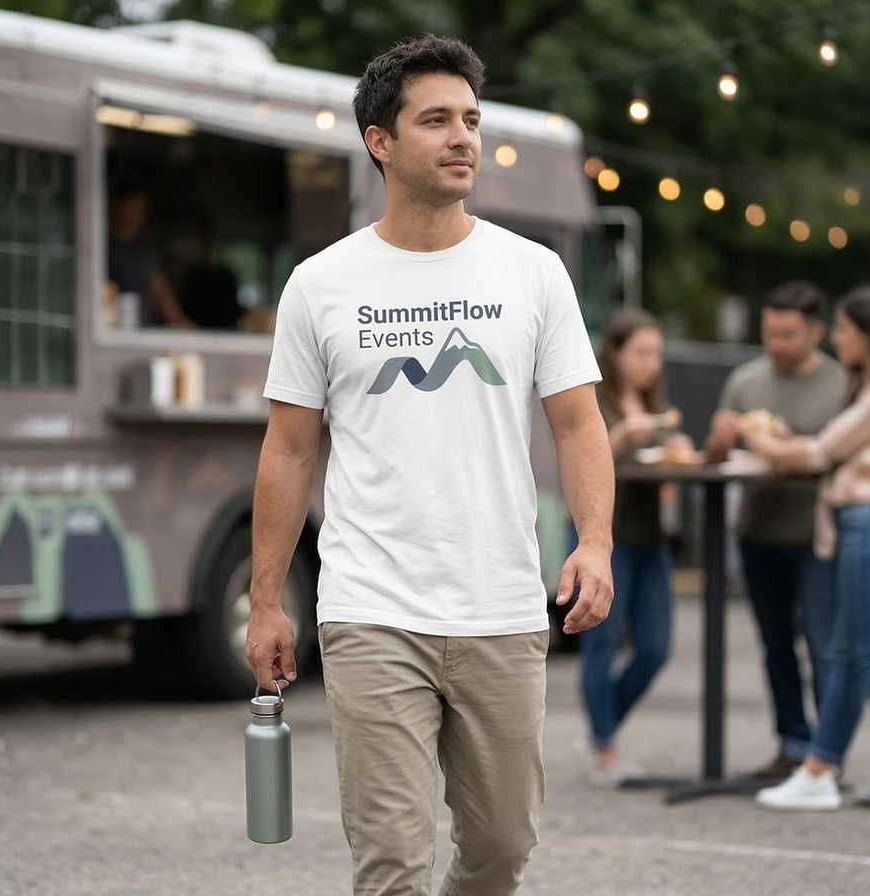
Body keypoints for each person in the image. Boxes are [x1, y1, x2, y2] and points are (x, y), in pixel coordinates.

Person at [246, 36, 615, 895]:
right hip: (371, 606)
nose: (464, 139)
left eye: (472, 121)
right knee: (390, 860)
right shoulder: (322, 284)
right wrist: (266, 600)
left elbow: (578, 423)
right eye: (437, 120)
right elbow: (289, 447)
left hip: (500, 605)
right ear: (380, 140)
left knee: (500, 848)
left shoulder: (532, 273)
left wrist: (593, 542)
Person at [746, 285, 870, 811]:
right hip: (864, 525)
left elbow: (826, 449)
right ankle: (822, 769)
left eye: (846, 329)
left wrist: (765, 445)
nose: (839, 338)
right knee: (847, 654)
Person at [704, 281, 848, 781]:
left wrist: (789, 444)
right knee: (775, 644)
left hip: (816, 533)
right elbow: (715, 458)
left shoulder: (841, 383)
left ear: (816, 332)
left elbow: (842, 454)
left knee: (824, 642)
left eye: (788, 334)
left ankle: (828, 753)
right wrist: (720, 442)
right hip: (758, 531)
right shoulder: (745, 381)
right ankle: (792, 742)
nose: (777, 344)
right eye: (770, 333)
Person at [568, 308, 689, 785]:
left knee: (656, 647)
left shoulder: (655, 404)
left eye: (656, 353)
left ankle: (601, 728)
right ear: (615, 355)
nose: (650, 363)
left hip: (651, 535)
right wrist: (620, 436)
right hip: (607, 538)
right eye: (641, 352)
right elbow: (582, 456)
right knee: (601, 641)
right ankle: (606, 749)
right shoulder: (596, 402)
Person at [104, 185, 195, 329]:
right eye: (133, 205)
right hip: (115, 334)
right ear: (116, 205)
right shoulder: (100, 249)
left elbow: (162, 293)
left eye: (142, 208)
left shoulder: (144, 251)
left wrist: (188, 331)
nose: (138, 212)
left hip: (142, 333)